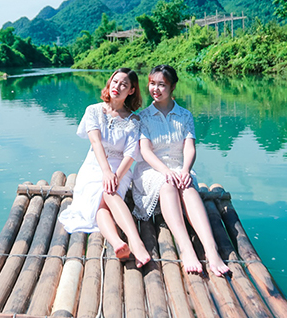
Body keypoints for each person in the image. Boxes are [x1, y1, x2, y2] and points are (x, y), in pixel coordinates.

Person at [131, 65, 230, 276]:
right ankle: (186, 248)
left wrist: (185, 169)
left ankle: (211, 251)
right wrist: (166, 171)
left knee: (189, 188)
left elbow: (189, 147)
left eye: (161, 85)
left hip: (179, 166)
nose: (155, 89)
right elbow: (146, 151)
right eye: (152, 83)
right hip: (152, 170)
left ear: (172, 86)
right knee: (168, 186)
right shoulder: (143, 117)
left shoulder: (185, 116)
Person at [58, 68, 151, 268]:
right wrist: (106, 172)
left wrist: (115, 175)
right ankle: (120, 243)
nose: (117, 87)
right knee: (104, 195)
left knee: (108, 194)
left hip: (121, 168)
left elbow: (131, 154)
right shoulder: (93, 110)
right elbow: (96, 143)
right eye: (115, 81)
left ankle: (134, 242)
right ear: (109, 83)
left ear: (132, 91)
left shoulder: (134, 120)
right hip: (95, 165)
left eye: (124, 84)